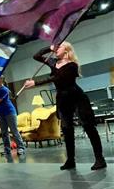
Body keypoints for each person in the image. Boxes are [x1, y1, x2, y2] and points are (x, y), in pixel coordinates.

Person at [24, 42, 106, 171]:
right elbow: (36, 56)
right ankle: (70, 160)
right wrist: (49, 48)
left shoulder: (72, 65)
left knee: (89, 127)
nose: (57, 49)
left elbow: (58, 78)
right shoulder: (53, 62)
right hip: (62, 99)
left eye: (60, 46)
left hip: (77, 97)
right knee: (67, 130)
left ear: (67, 50)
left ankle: (100, 159)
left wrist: (36, 83)